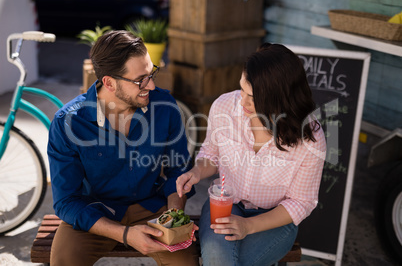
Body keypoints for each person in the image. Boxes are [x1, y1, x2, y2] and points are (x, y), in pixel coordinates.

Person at [47, 30, 199, 266]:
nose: (151, 85)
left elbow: (177, 169)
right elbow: (66, 201)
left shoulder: (165, 105)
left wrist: (174, 217)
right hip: (95, 213)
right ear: (108, 82)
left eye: (151, 74)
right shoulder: (67, 123)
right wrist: (125, 234)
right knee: (64, 261)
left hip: (152, 208)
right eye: (141, 80)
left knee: (186, 262)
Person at [176, 43, 327, 266]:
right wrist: (197, 171)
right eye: (242, 90)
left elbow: (301, 202)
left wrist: (248, 226)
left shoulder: (310, 137)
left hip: (275, 218)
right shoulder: (224, 107)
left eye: (253, 97)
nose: (242, 101)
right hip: (225, 204)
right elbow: (211, 153)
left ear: (280, 98)